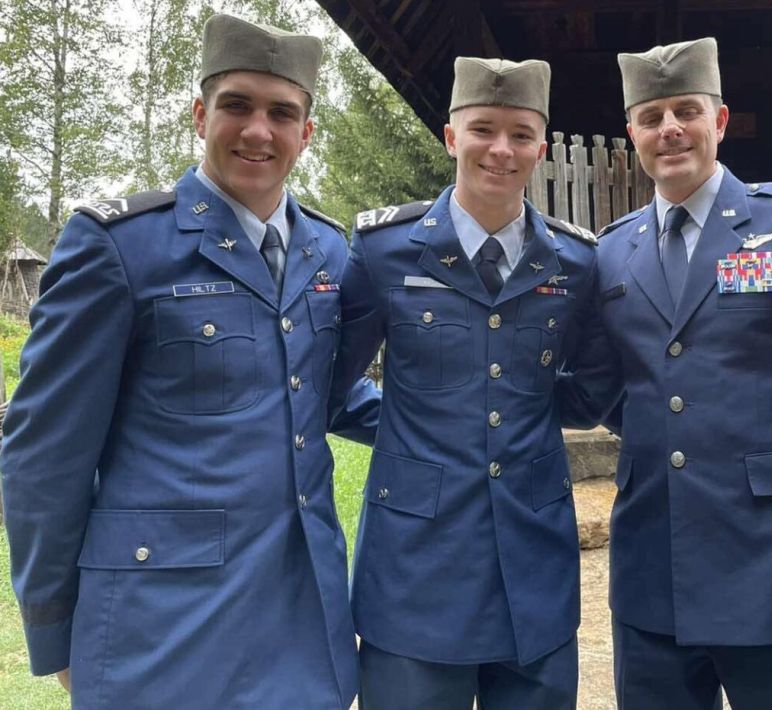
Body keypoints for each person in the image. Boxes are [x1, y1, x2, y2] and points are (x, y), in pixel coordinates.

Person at [0, 14, 378, 709]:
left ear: (307, 132)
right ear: (201, 116)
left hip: (301, 620)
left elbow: (319, 390)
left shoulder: (328, 250)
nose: (258, 130)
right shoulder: (119, 246)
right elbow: (43, 455)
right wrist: (55, 632)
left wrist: (453, 417)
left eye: (281, 113)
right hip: (159, 628)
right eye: (237, 105)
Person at [559, 36, 772, 709]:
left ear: (721, 120)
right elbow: (614, 390)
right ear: (632, 134)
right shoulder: (613, 252)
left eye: (687, 110)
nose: (670, 128)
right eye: (651, 117)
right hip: (652, 582)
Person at [329, 56, 598, 709]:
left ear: (540, 149)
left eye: (521, 133)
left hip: (533, 569)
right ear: (452, 137)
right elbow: (330, 387)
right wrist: (411, 429)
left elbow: (592, 388)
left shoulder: (576, 261)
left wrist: (528, 418)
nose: (501, 149)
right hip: (415, 571)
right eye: (483, 129)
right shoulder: (384, 250)